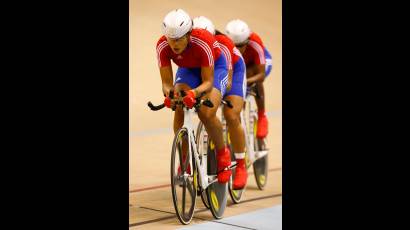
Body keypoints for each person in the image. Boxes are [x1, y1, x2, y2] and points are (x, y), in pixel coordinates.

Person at [156, 9, 231, 183]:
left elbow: (207, 83)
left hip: (215, 68)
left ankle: (223, 156)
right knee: (179, 105)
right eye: (170, 39)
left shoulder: (202, 41)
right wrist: (170, 92)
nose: (174, 44)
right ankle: (185, 158)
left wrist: (194, 93)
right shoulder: (162, 46)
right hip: (189, 67)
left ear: (189, 34)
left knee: (206, 112)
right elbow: (166, 83)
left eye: (179, 39)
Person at [193, 16, 248, 190]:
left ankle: (240, 164)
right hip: (207, 69)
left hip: (233, 71)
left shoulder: (222, 44)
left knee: (231, 115)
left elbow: (227, 81)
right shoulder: (194, 45)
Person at [225, 19, 273, 139]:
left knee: (253, 78)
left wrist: (244, 82)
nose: (238, 49)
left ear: (247, 41)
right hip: (242, 65)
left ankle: (262, 116)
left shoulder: (254, 41)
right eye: (235, 46)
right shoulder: (225, 44)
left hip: (259, 64)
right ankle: (238, 121)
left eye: (241, 45)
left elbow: (261, 75)